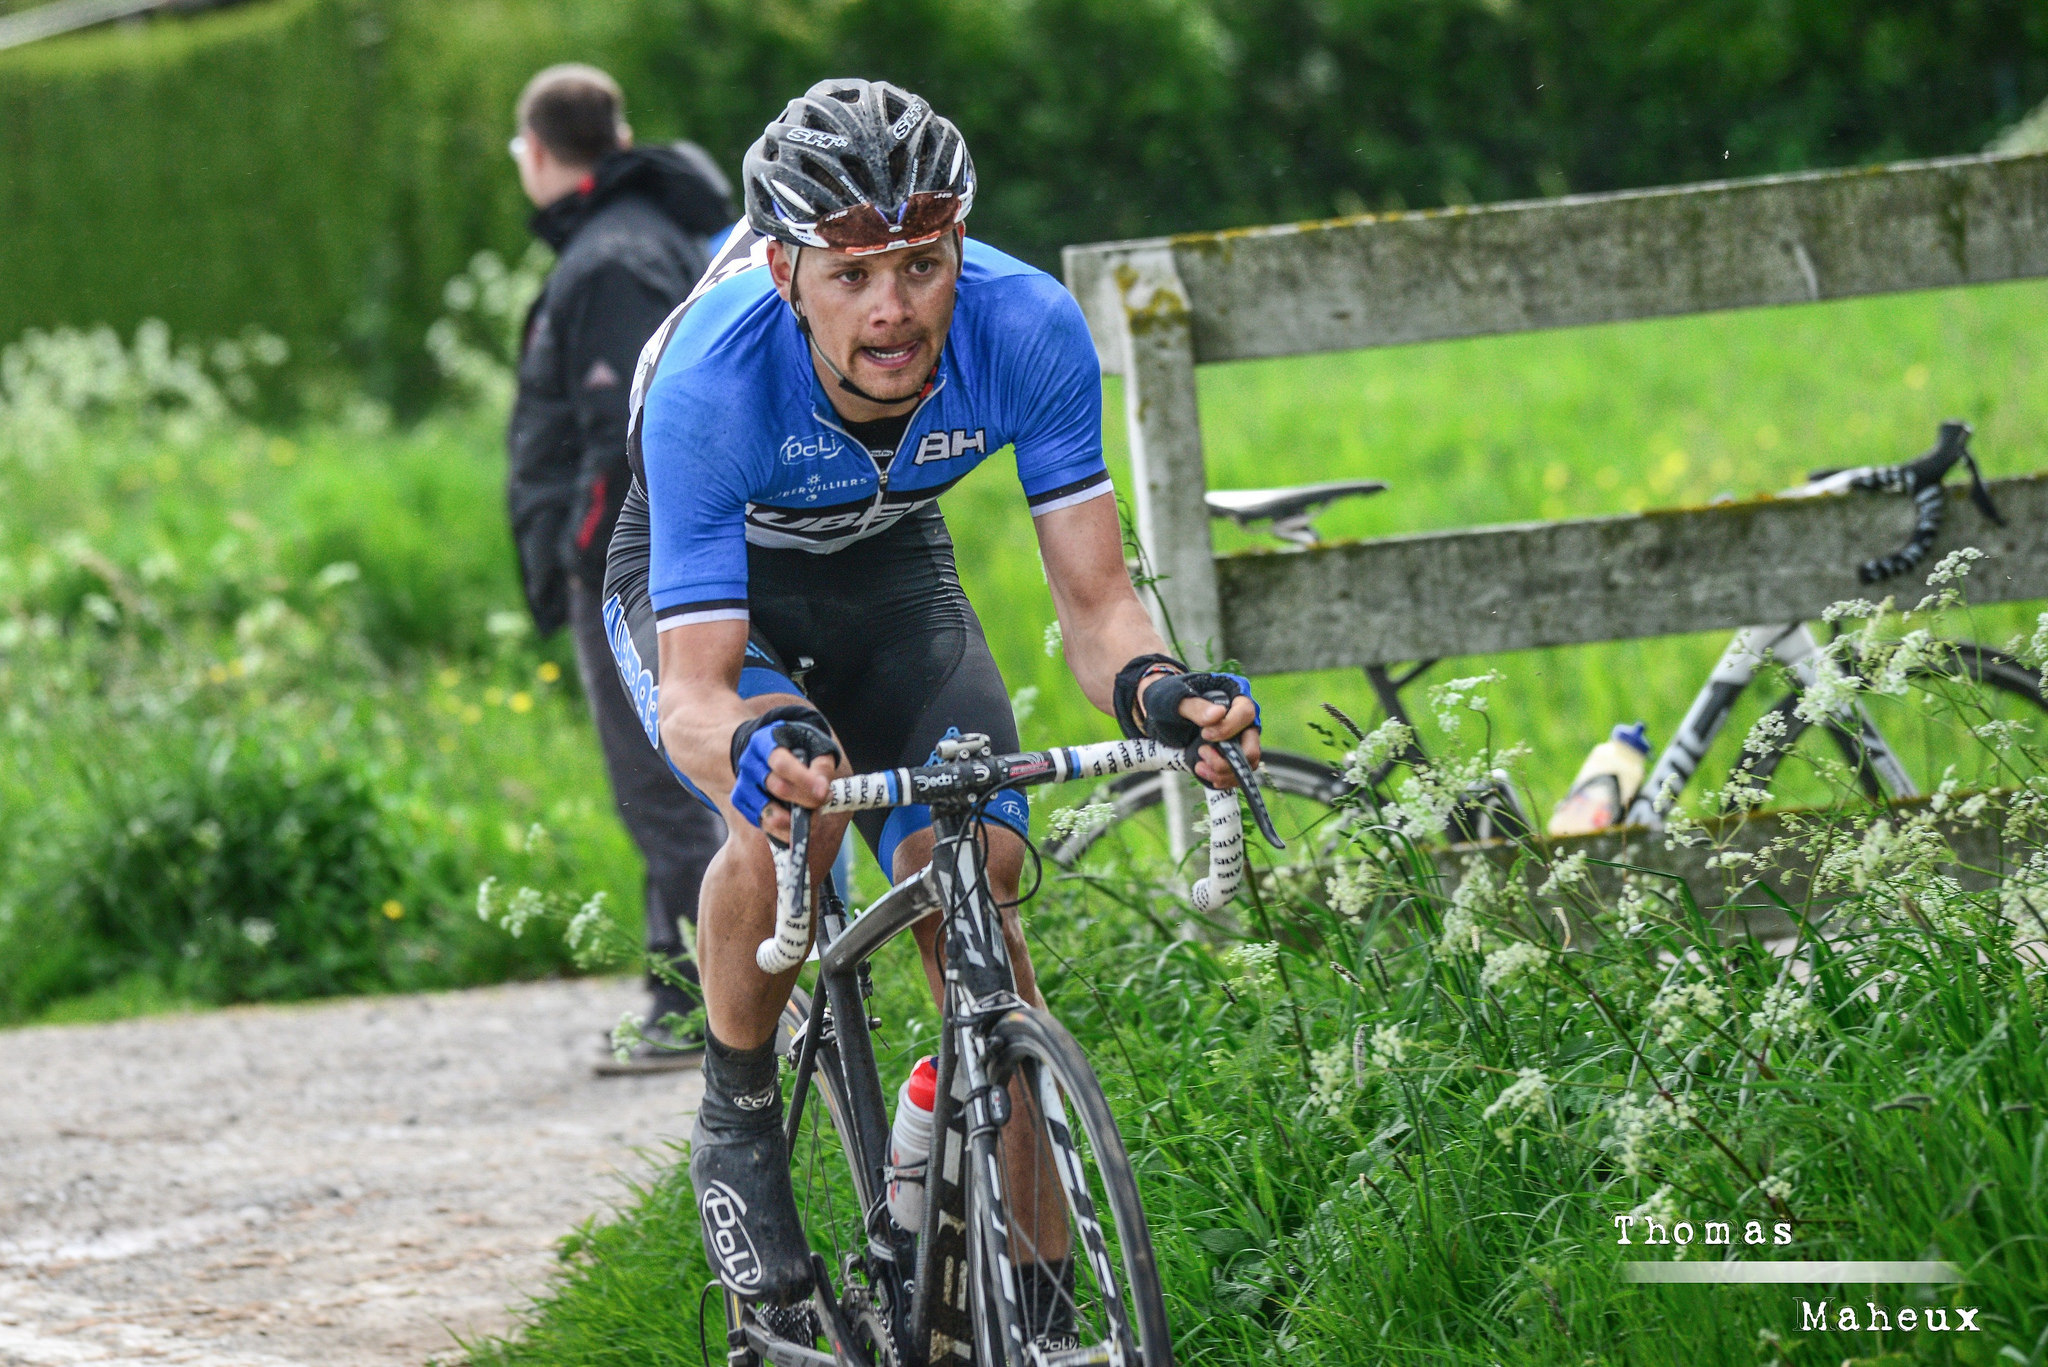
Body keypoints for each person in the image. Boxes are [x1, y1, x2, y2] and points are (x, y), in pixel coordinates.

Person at [601, 79, 1261, 1315]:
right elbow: (695, 694)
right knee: (794, 810)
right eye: (850, 275)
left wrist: (1163, 693)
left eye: (920, 261)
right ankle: (738, 1110)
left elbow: (1098, 608)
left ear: (960, 247)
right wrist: (756, 750)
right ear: (784, 270)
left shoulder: (1028, 326)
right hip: (710, 575)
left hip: (890, 568)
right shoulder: (710, 379)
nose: (893, 308)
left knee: (980, 894)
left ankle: (1046, 1302)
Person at [505, 64, 734, 1072]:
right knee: (659, 782)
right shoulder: (636, 234)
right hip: (643, 559)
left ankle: (705, 1006)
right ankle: (671, 985)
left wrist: (587, 560)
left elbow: (621, 439)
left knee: (663, 781)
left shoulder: (609, 259)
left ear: (539, 151)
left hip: (630, 570)